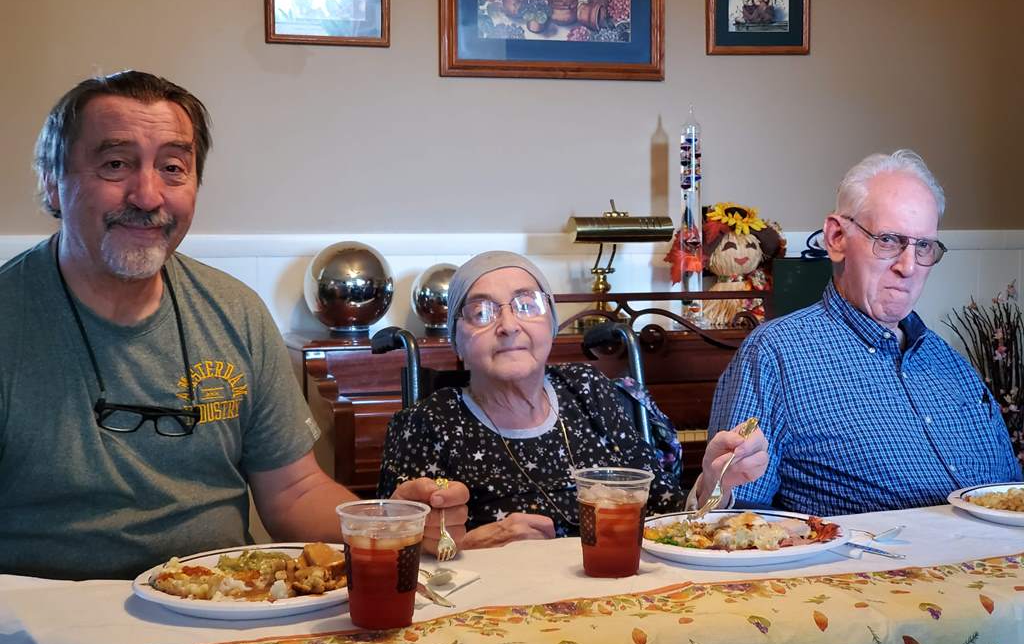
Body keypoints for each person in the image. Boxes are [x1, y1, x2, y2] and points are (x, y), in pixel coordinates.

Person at [0, 70, 467, 580]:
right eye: (115, 164)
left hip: (218, 608)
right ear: (52, 180)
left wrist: (391, 521)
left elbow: (293, 491)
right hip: (45, 629)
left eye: (173, 168)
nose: (148, 195)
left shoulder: (235, 312)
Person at [378, 251, 768, 548]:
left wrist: (713, 482)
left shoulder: (589, 389)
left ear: (550, 322)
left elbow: (663, 514)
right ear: (456, 340)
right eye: (481, 312)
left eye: (526, 305)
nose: (509, 325)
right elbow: (394, 549)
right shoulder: (426, 424)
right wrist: (468, 548)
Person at [709, 149, 1022, 516]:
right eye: (889, 240)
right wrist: (716, 487)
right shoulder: (775, 355)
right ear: (837, 237)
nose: (908, 266)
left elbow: (1010, 496)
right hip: (866, 570)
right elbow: (728, 520)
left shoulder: (952, 366)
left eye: (924, 246)